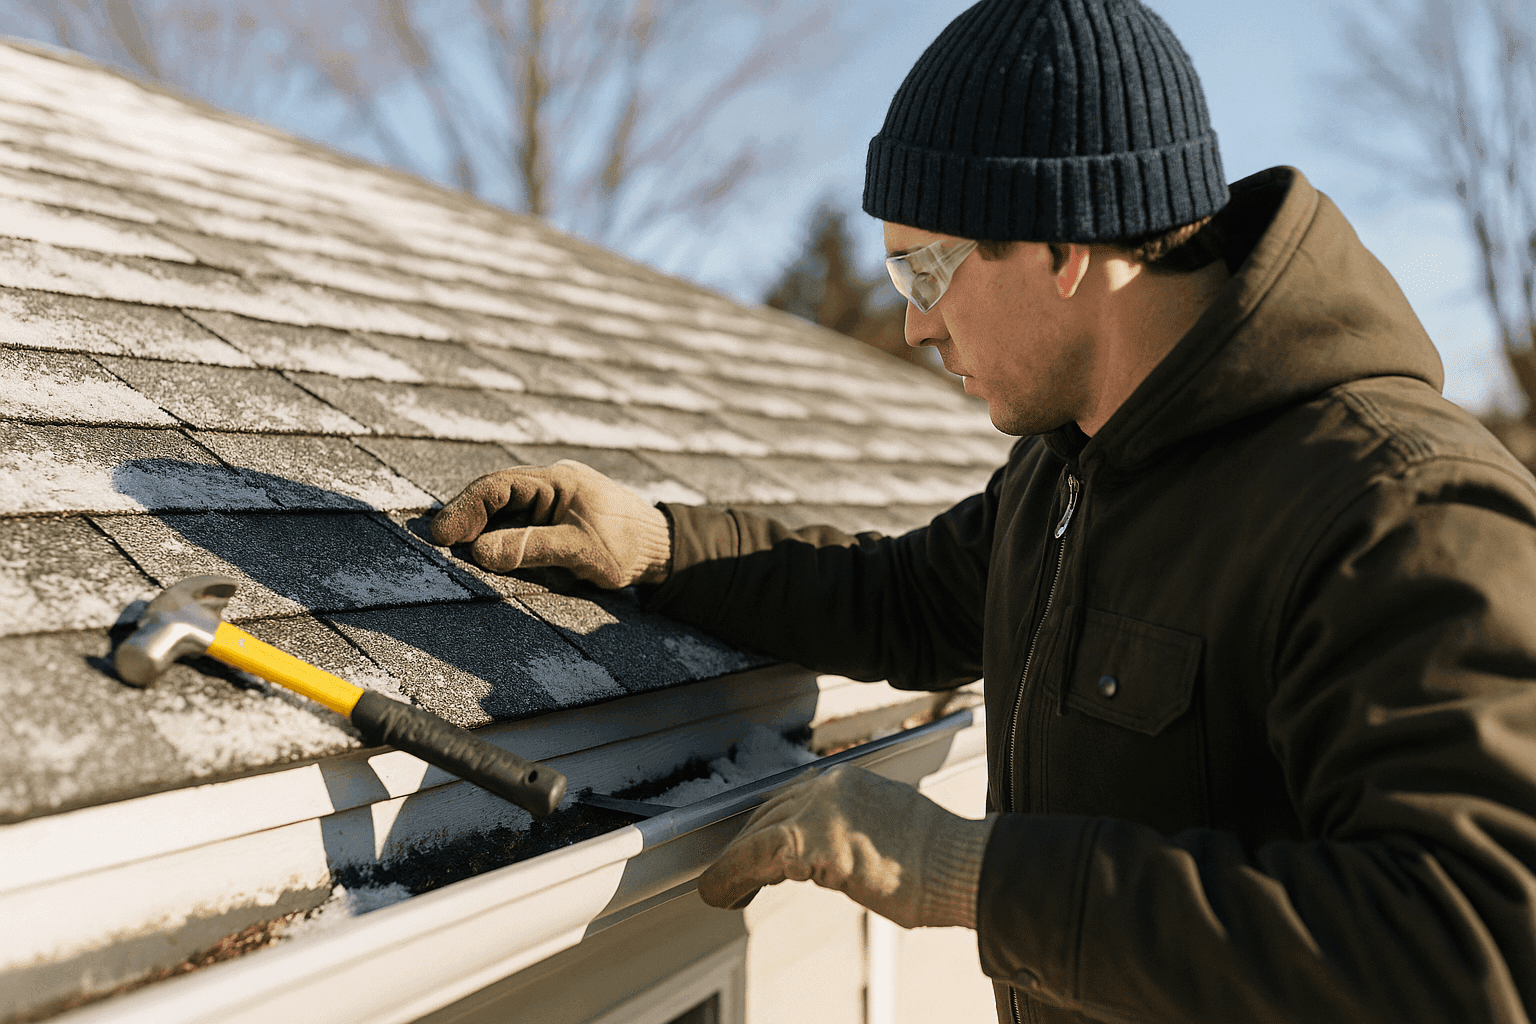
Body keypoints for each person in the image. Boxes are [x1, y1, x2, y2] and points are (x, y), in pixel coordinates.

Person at [429, 0, 1536, 1020]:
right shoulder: (1072, 473)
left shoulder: (1397, 507)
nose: (914, 326)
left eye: (925, 272)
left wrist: (978, 876)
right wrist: (665, 545)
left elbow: (1477, 939)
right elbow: (903, 598)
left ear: (1064, 245)